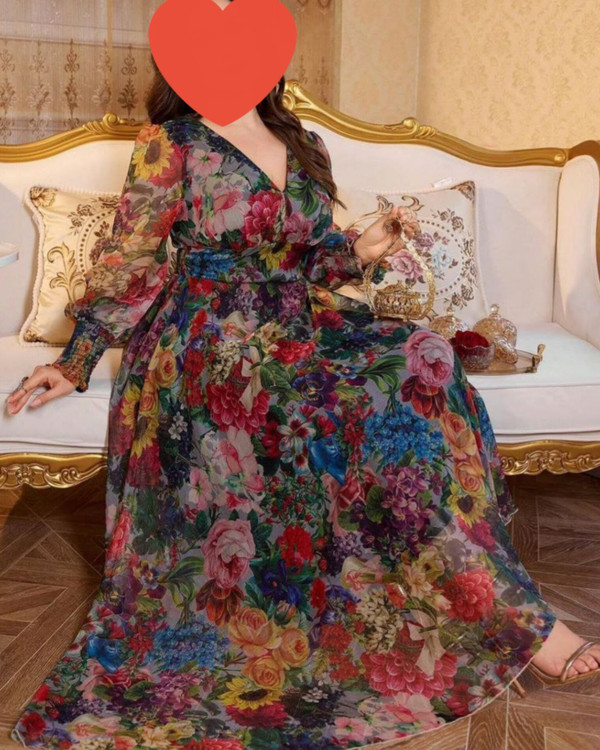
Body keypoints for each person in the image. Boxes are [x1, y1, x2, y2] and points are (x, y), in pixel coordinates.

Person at [6, 3, 600, 747]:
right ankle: (519, 622)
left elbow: (311, 263)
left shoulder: (303, 141)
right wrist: (77, 359)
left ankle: (472, 589)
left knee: (425, 357)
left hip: (298, 316)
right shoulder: (170, 143)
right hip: (210, 333)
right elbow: (131, 257)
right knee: (327, 401)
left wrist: (363, 249)